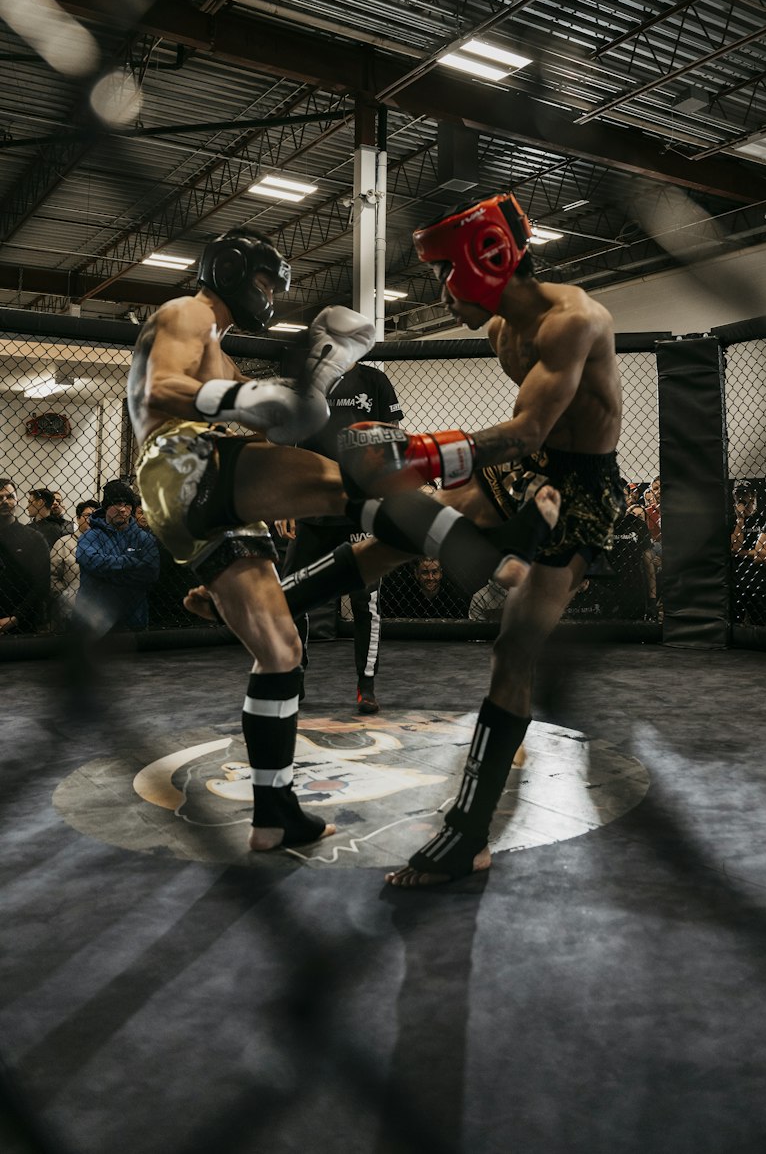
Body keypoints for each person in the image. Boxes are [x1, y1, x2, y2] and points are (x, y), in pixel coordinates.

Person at [129, 226, 557, 855]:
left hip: (198, 500)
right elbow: (158, 389)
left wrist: (287, 404)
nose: (268, 293)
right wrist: (259, 396)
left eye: (274, 285)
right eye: (260, 280)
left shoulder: (219, 343)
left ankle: (274, 815)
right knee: (354, 484)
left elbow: (246, 428)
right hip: (182, 462)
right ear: (225, 269)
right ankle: (496, 559)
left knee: (281, 651)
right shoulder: (186, 311)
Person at [336, 192, 624, 887]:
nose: (439, 287)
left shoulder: (575, 320)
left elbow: (526, 432)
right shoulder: (502, 333)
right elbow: (523, 443)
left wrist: (418, 453)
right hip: (528, 470)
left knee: (514, 648)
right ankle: (284, 602)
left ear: (486, 255)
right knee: (404, 527)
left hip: (582, 488)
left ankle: (468, 836)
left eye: (443, 269)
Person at [277, 358, 404, 716]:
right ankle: (293, 675)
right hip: (313, 506)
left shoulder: (374, 380)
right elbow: (288, 450)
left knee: (367, 600)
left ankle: (366, 685)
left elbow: (393, 440)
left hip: (360, 508)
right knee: (291, 594)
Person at [75, 481, 161, 635]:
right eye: (117, 503)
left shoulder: (143, 538)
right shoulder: (90, 537)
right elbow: (93, 563)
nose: (122, 509)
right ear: (106, 507)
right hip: (95, 622)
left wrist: (109, 573)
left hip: (133, 622)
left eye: (127, 504)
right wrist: (131, 563)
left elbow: (151, 572)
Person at [0, 479, 51, 635]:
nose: (4, 501)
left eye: (9, 497)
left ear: (17, 501)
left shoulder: (34, 538)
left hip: (24, 624)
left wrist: (15, 618)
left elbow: (41, 584)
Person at [50, 498, 100, 629]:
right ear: (78, 518)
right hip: (71, 612)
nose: (92, 520)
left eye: (96, 516)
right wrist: (67, 597)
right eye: (88, 515)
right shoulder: (64, 543)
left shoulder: (104, 544)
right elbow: (52, 576)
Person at [730, 481, 766, 625]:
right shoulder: (731, 520)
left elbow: (764, 553)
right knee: (736, 620)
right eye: (738, 494)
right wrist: (740, 520)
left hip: (758, 574)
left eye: (745, 494)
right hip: (736, 575)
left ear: (753, 497)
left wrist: (744, 553)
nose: (742, 498)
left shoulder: (762, 519)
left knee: (759, 619)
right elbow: (735, 548)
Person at [380, 556, 471, 619]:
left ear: (441, 573)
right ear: (416, 574)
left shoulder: (454, 596)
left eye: (434, 572)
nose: (430, 578)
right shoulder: (402, 596)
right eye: (425, 573)